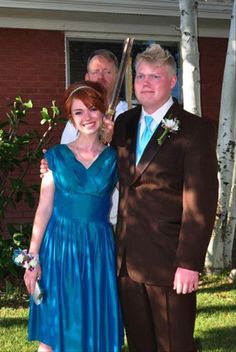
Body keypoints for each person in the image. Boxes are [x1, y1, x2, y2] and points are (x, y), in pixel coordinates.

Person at [108, 44, 218, 351]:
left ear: (172, 81)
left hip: (170, 264)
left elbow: (202, 201)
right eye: (140, 75)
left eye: (154, 76)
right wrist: (55, 166)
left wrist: (189, 263)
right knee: (141, 346)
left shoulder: (194, 131)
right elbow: (106, 171)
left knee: (175, 345)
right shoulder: (124, 124)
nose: (144, 82)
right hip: (127, 263)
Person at [24, 81, 123, 352]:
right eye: (78, 112)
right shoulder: (55, 156)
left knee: (94, 323)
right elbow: (44, 208)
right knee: (54, 328)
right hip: (60, 247)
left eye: (92, 109)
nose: (87, 117)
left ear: (103, 112)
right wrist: (32, 257)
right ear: (71, 117)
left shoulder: (116, 159)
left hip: (97, 247)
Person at [60, 49, 128, 227]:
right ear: (87, 77)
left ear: (117, 77)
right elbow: (64, 166)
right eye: (95, 72)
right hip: (80, 218)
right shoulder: (75, 122)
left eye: (107, 72)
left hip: (121, 220)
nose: (101, 77)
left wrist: (112, 142)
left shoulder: (130, 117)